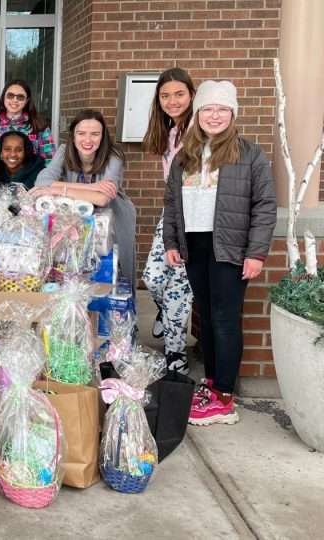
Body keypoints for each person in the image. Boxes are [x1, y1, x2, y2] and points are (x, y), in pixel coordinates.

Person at [162, 80, 275, 426]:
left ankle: (224, 397)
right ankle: (211, 384)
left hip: (230, 247)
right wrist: (171, 242)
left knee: (225, 320)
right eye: (207, 109)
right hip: (194, 246)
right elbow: (172, 203)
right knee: (208, 318)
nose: (214, 115)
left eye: (222, 109)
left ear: (233, 113)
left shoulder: (249, 153)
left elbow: (265, 205)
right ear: (197, 114)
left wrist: (256, 253)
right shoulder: (187, 154)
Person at [32, 110, 137, 288]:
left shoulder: (114, 155)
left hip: (114, 216)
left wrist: (59, 188)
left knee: (115, 270)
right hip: (77, 216)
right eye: (81, 133)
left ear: (103, 136)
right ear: (73, 136)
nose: (87, 140)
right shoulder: (65, 151)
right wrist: (91, 187)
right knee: (74, 268)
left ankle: (119, 313)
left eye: (95, 134)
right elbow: (42, 182)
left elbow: (103, 199)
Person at [141, 67, 197, 375]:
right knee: (152, 277)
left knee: (179, 291)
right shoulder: (170, 131)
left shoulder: (198, 130)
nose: (172, 101)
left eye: (179, 94)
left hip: (196, 220)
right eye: (165, 95)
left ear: (191, 95)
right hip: (171, 214)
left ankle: (176, 355)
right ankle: (165, 314)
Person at [0, 79, 56, 173]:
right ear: (4, 97)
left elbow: (50, 163)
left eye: (20, 97)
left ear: (26, 101)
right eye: (10, 95)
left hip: (31, 184)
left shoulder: (40, 127)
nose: (15, 100)